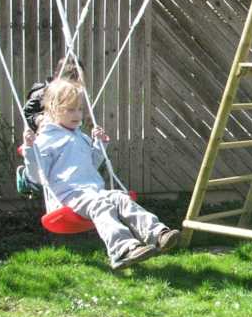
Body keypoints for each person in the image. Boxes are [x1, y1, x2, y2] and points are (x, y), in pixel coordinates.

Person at [22, 78, 180, 270]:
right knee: (101, 204)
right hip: (69, 197)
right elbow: (37, 177)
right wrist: (29, 150)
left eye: (80, 109)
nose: (77, 115)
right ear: (54, 110)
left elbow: (91, 164)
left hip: (93, 191)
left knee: (121, 198)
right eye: (70, 110)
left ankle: (157, 234)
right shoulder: (45, 140)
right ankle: (122, 250)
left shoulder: (80, 136)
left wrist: (99, 145)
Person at [17, 57, 84, 194]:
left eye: (77, 79)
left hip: (63, 140)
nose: (73, 84)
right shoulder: (43, 92)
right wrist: (39, 119)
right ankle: (26, 179)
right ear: (57, 75)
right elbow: (27, 112)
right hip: (45, 137)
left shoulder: (76, 94)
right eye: (70, 78)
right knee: (40, 173)